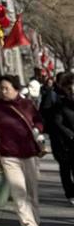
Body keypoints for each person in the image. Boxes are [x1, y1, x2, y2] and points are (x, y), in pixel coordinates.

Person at [0, 74, 46, 226]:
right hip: (9, 156)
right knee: (19, 193)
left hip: (29, 154)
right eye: (1, 88)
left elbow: (39, 120)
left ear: (16, 89)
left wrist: (37, 129)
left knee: (32, 194)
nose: (3, 91)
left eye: (7, 88)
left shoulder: (27, 104)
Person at [41, 72, 74, 205]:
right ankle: (70, 193)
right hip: (61, 141)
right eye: (70, 87)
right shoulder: (57, 99)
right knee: (65, 168)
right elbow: (54, 120)